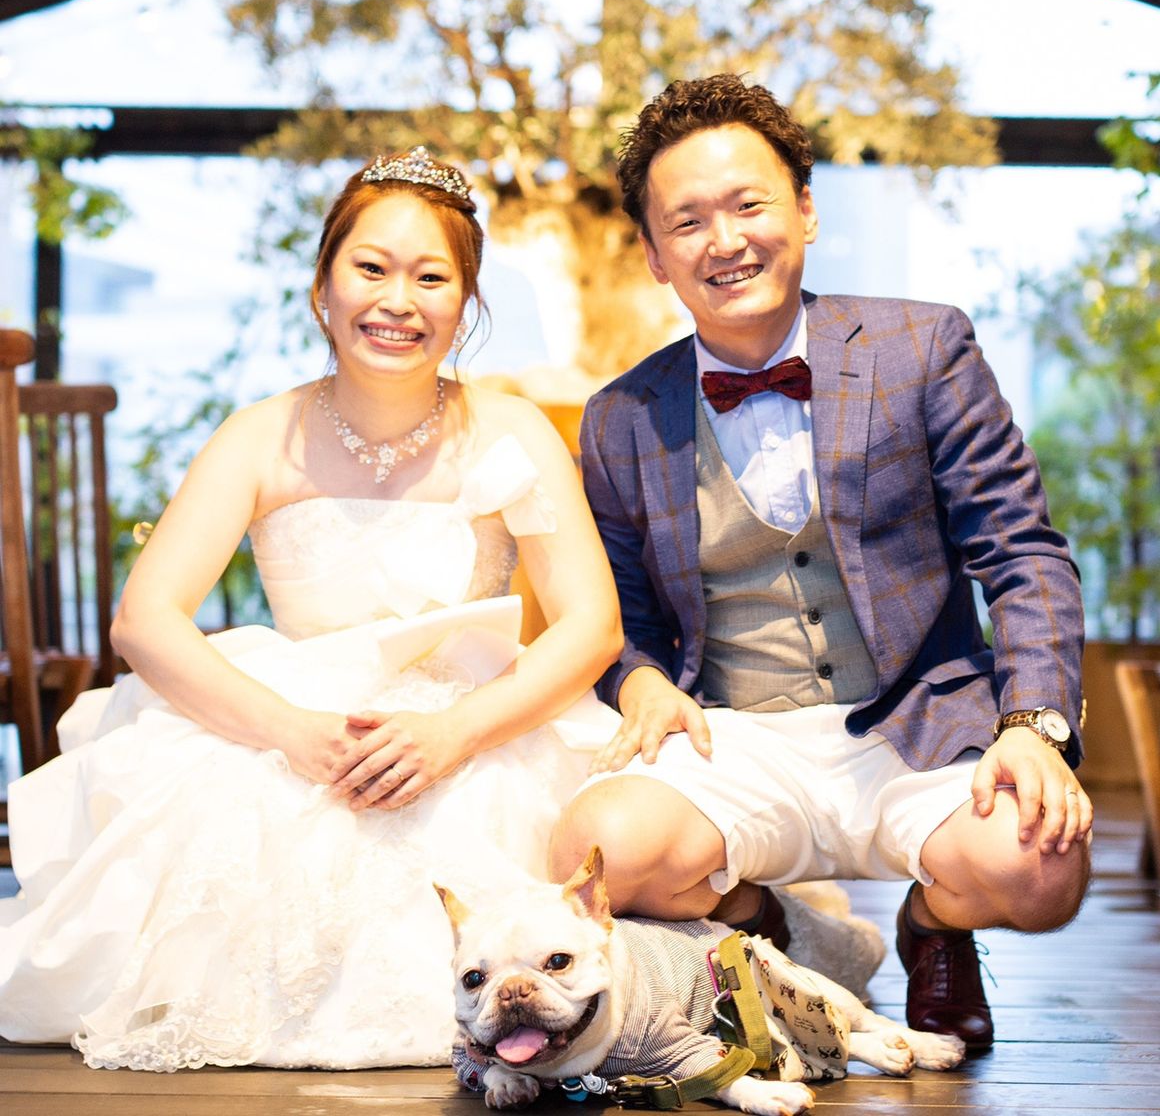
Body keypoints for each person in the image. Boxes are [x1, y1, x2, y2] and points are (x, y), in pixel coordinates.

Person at [0, 147, 626, 1070]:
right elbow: (145, 618)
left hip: (475, 724)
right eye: (371, 268)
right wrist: (293, 734)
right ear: (323, 285)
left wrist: (455, 735)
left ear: (466, 302)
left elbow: (591, 624)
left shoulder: (513, 430)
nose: (397, 301)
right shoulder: (258, 436)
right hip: (296, 723)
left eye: (431, 278)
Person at [549, 74, 1093, 1051]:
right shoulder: (619, 416)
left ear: (803, 208)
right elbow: (619, 618)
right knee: (595, 850)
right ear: (654, 254)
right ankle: (767, 923)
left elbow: (1021, 550)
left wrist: (1031, 724)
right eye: (687, 221)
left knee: (1041, 866)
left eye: (748, 205)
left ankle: (932, 925)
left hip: (915, 726)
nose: (724, 241)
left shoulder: (922, 346)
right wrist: (637, 681)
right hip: (732, 737)